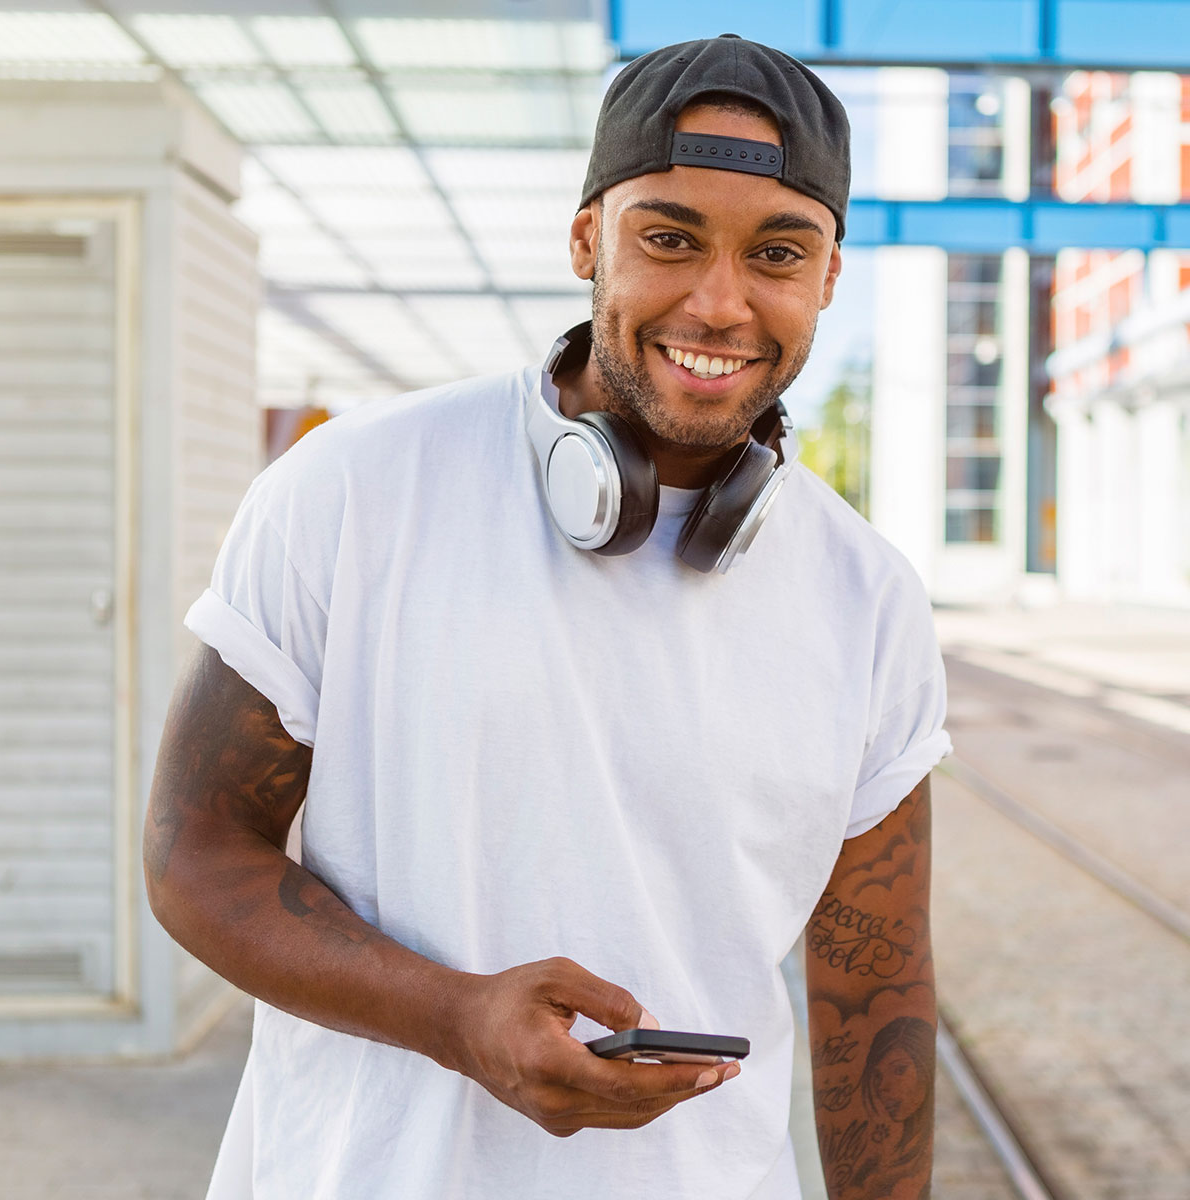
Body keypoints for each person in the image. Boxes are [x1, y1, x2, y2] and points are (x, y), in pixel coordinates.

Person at [143, 33, 950, 1200]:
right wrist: (454, 1017)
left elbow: (874, 994)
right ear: (586, 240)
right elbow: (193, 850)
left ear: (828, 276)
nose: (718, 303)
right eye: (668, 239)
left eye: (777, 253)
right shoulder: (352, 491)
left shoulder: (868, 600)